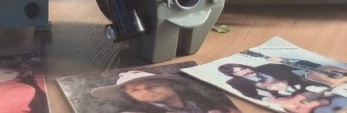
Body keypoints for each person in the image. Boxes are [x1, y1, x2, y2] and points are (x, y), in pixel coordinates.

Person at [90, 70, 239, 113]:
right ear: (128, 95)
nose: (145, 91)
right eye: (134, 90)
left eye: (152, 85)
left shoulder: (205, 101)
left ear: (168, 84)